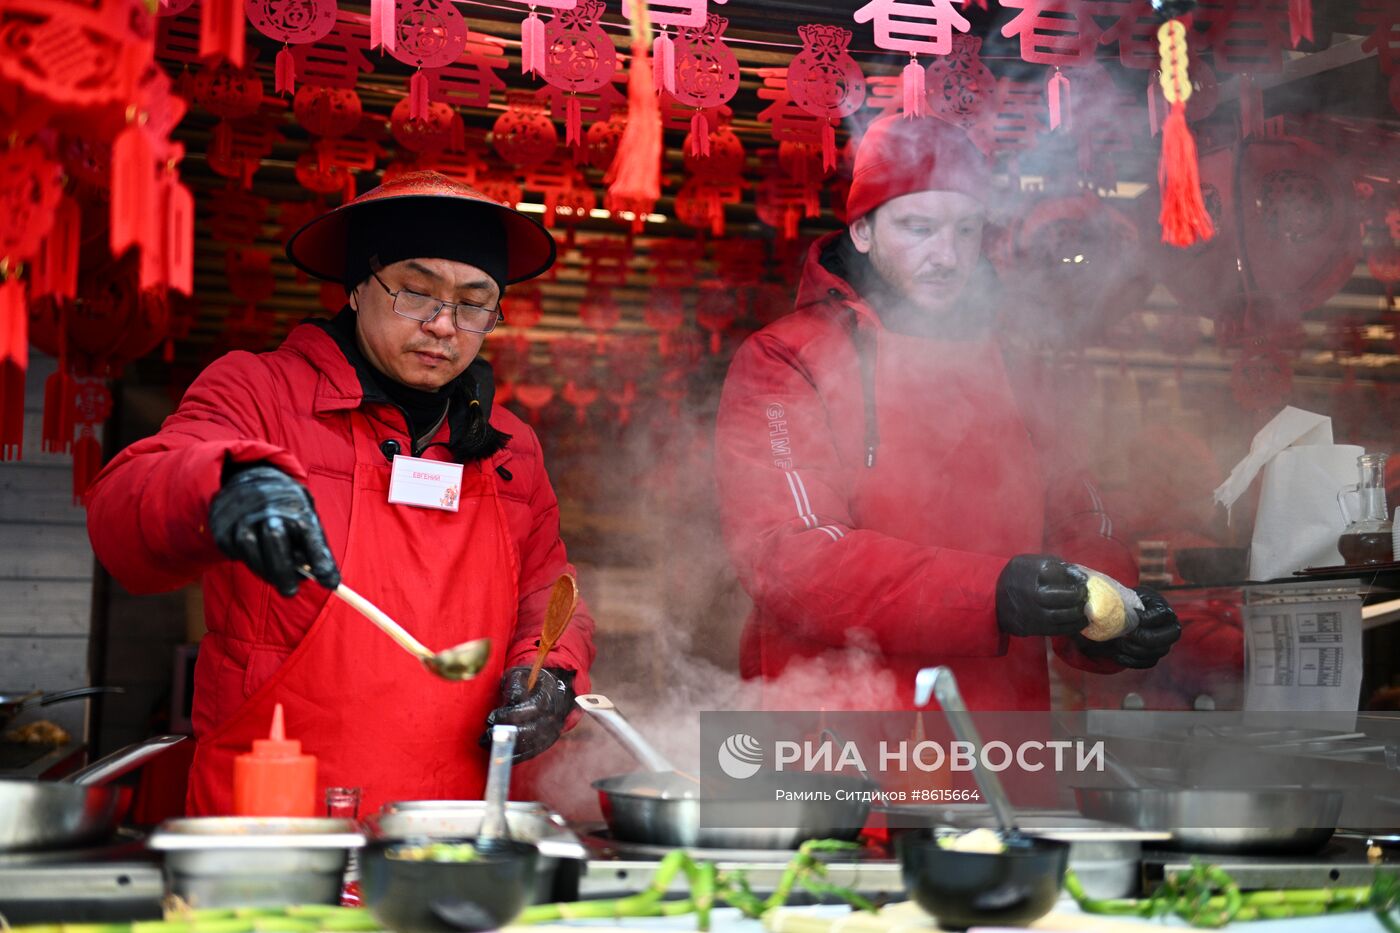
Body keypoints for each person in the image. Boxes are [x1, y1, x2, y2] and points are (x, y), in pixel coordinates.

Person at [86, 172, 596, 815]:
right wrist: (226, 484)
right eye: (416, 292)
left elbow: (549, 593)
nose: (444, 325)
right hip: (281, 815)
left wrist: (551, 674)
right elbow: (122, 507)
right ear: (358, 287)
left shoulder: (510, 446)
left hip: (459, 819)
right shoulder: (259, 393)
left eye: (475, 303)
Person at [714, 116, 1182, 711]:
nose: (947, 255)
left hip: (1000, 731)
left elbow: (1076, 517)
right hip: (837, 732)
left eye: (966, 230)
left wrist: (1112, 612)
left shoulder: (1018, 362)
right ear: (861, 231)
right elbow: (791, 557)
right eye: (918, 228)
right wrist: (991, 593)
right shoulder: (785, 357)